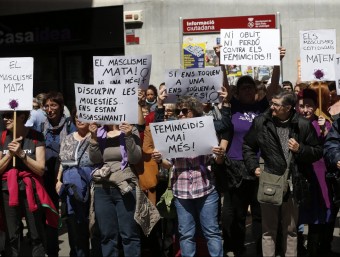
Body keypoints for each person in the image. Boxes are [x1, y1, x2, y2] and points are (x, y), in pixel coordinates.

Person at [213, 45, 285, 256]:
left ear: (255, 91)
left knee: (260, 213)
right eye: (243, 87)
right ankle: (236, 249)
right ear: (237, 91)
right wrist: (221, 59)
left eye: (250, 87)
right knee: (236, 214)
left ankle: (261, 250)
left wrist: (276, 61)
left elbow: (273, 87)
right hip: (235, 166)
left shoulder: (262, 107)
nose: (247, 90)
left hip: (259, 166)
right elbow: (224, 84)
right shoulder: (233, 105)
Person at [242, 91, 323, 257]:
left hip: (293, 183)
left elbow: (317, 151)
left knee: (291, 230)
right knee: (268, 231)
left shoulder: (302, 124)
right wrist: (253, 167)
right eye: (272, 103)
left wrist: (300, 149)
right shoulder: (261, 122)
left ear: (287, 107)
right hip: (269, 181)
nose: (272, 107)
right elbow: (248, 146)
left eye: (276, 104)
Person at [152, 96, 225, 257]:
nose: (181, 114)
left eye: (185, 111)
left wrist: (220, 153)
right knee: (186, 234)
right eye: (178, 111)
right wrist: (159, 159)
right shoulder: (172, 131)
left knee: (211, 232)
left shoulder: (206, 129)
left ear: (195, 112)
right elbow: (168, 163)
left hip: (206, 189)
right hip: (182, 191)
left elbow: (217, 160)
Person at [88, 121, 159, 257]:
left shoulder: (130, 130)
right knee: (107, 235)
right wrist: (93, 138)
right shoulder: (97, 132)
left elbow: (135, 158)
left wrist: (128, 136)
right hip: (103, 188)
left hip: (125, 187)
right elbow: (95, 159)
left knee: (129, 233)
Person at [0, 110, 59, 257]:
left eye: (8, 115)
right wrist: (9, 155)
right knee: (11, 234)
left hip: (31, 190)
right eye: (3, 116)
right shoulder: (2, 137)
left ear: (21, 117)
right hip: (8, 190)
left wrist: (21, 154)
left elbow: (40, 169)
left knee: (36, 233)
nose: (5, 119)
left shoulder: (35, 136)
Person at [297, 88, 336, 256]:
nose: (305, 109)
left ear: (315, 105)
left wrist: (325, 130)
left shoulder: (324, 123)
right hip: (303, 174)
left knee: (322, 213)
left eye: (309, 105)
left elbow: (331, 145)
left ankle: (320, 247)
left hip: (321, 174)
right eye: (302, 106)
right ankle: (300, 247)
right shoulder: (294, 123)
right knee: (302, 213)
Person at [56, 108, 98, 257]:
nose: (79, 119)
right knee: (75, 225)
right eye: (77, 117)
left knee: (91, 223)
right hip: (70, 186)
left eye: (83, 117)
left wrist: (94, 136)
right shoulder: (67, 138)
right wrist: (58, 180)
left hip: (90, 185)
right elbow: (62, 162)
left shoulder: (97, 137)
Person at [42, 91, 77, 257]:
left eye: (53, 105)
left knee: (70, 215)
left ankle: (75, 251)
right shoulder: (41, 126)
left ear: (61, 107)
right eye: (47, 106)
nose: (50, 109)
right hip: (47, 178)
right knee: (50, 214)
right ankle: (52, 250)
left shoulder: (70, 125)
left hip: (66, 175)